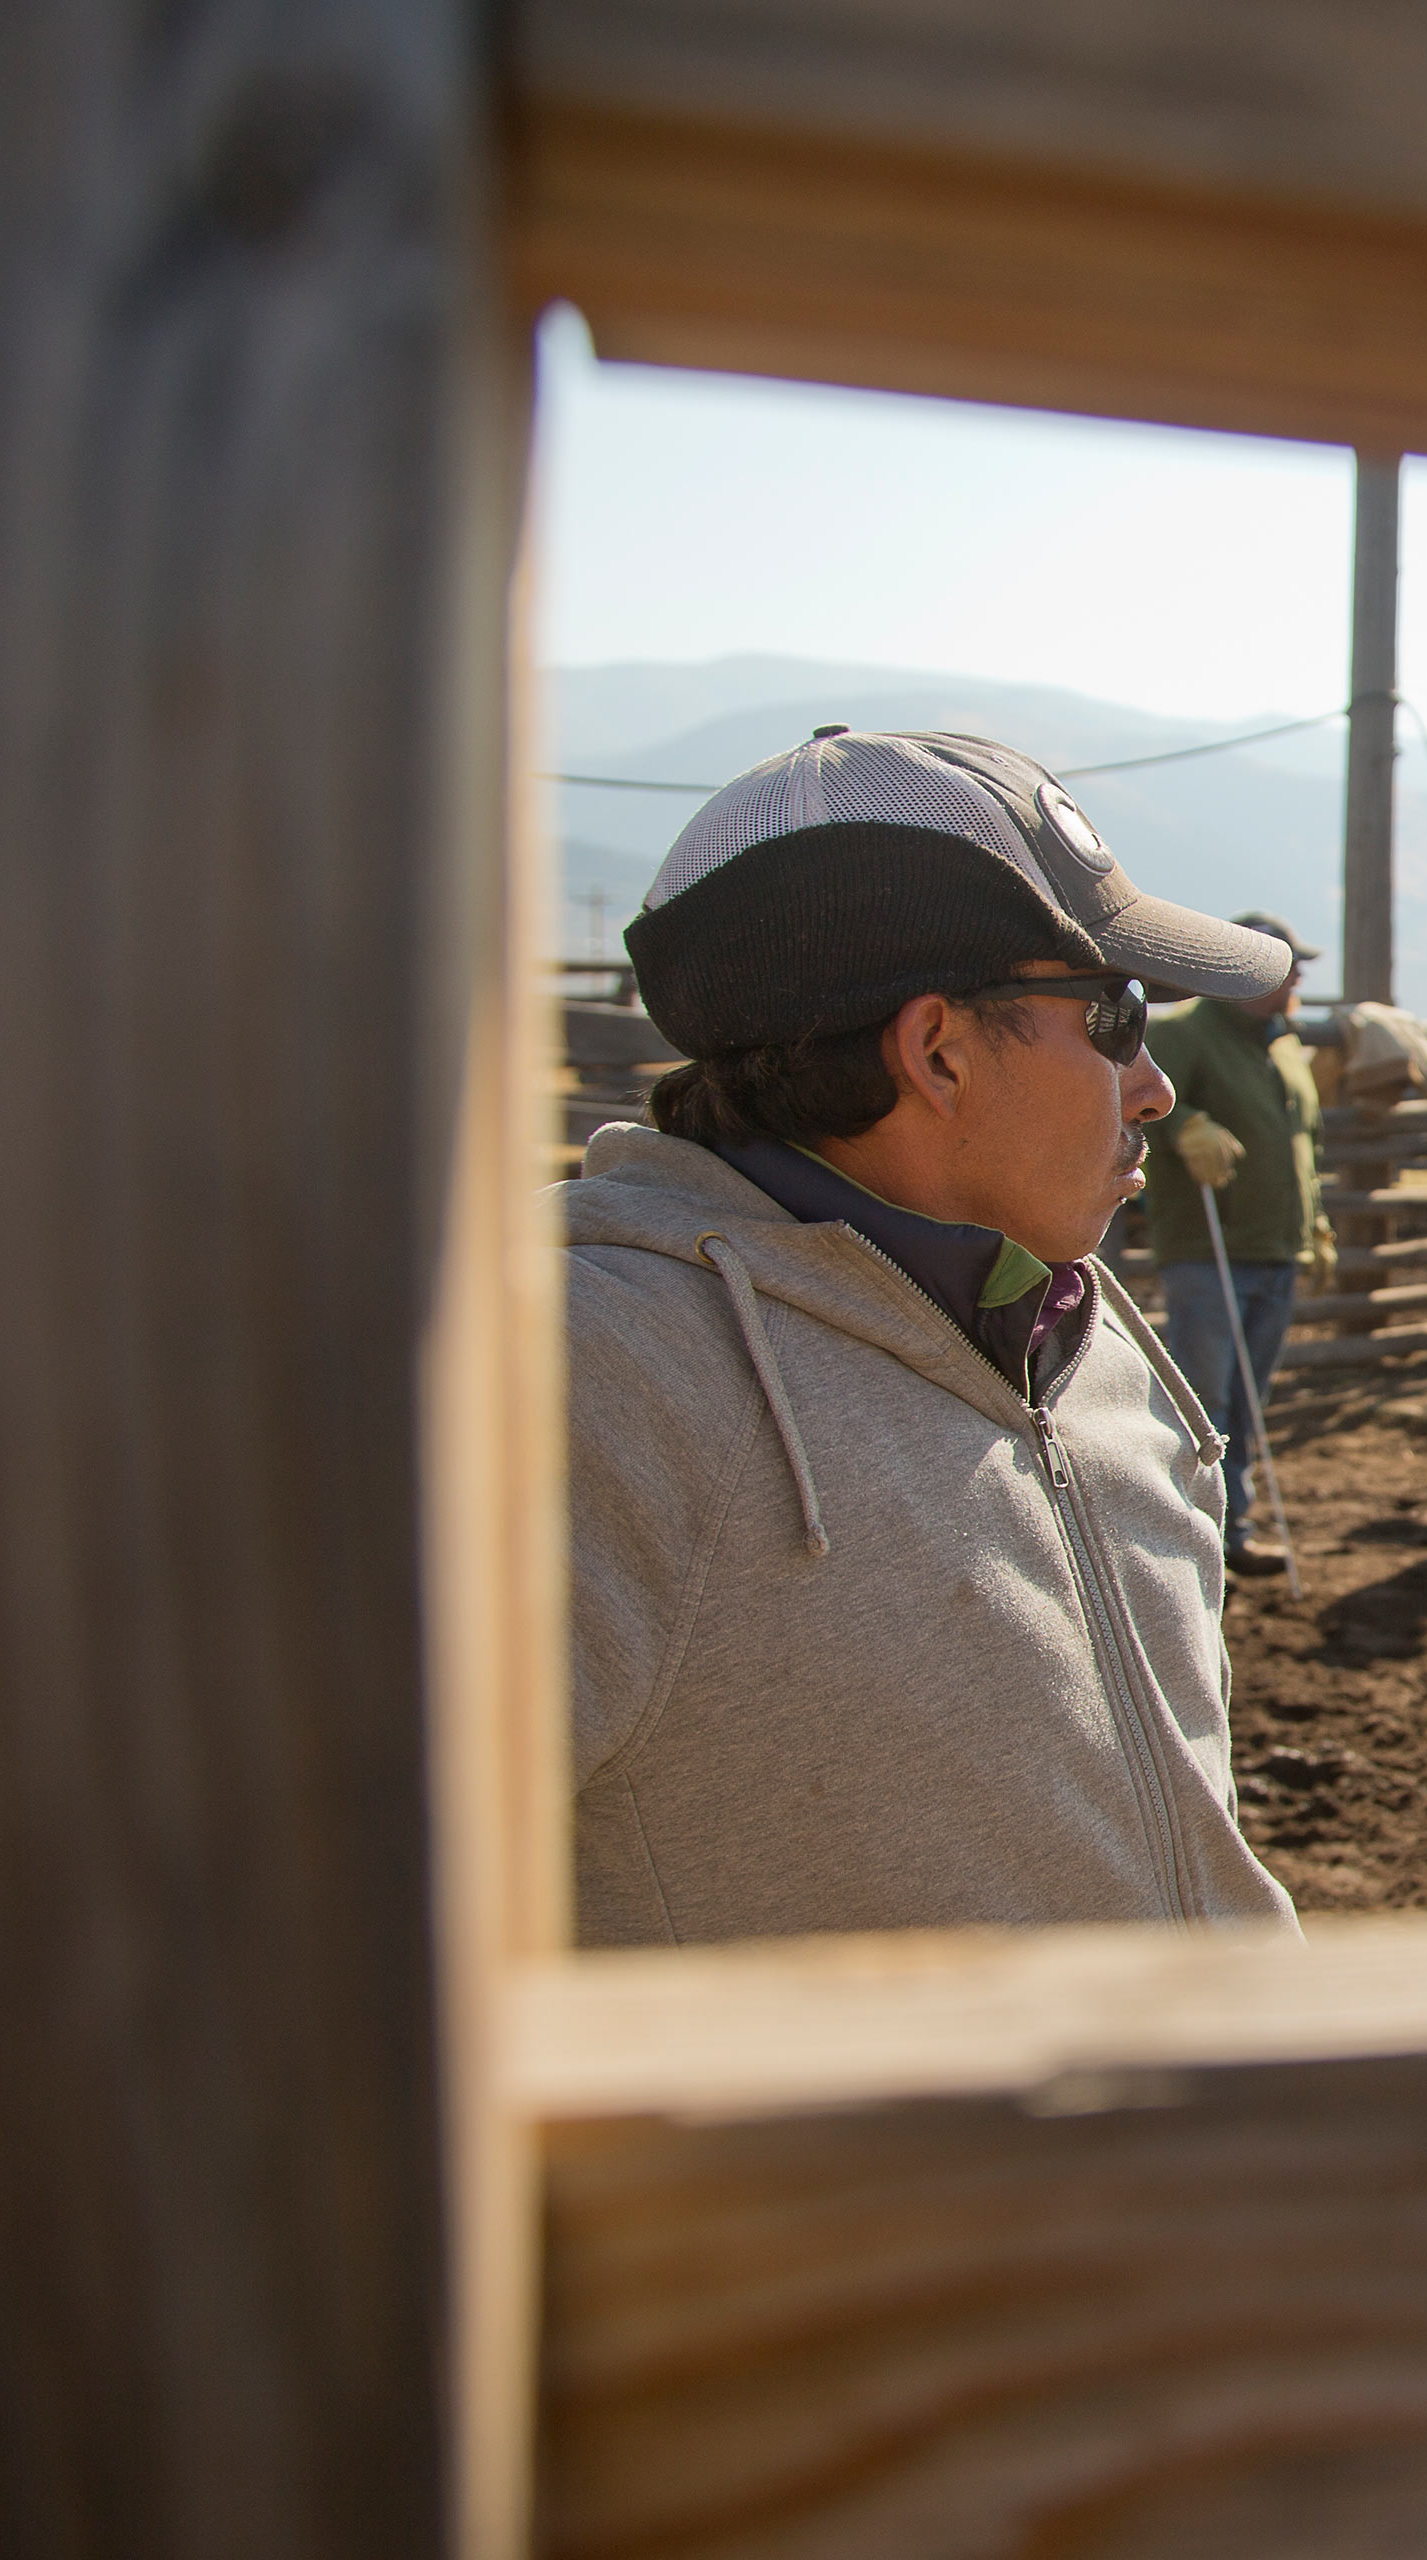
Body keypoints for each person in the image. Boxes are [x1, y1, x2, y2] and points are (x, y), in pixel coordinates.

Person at [565, 724, 1299, 1946]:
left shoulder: (1078, 1331)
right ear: (939, 1050)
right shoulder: (590, 1381)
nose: (1156, 1085)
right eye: (1117, 1015)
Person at [1144, 907, 1330, 1575]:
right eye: (1286, 966)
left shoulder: (1282, 1044)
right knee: (1206, 1399)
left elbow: (1302, 1140)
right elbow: (1139, 1103)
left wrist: (1314, 1218)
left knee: (1249, 1398)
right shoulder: (1186, 1035)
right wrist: (1184, 1122)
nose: (1299, 976)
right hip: (1209, 1244)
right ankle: (1190, 1534)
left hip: (1275, 1245)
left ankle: (1232, 1526)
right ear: (1243, 969)